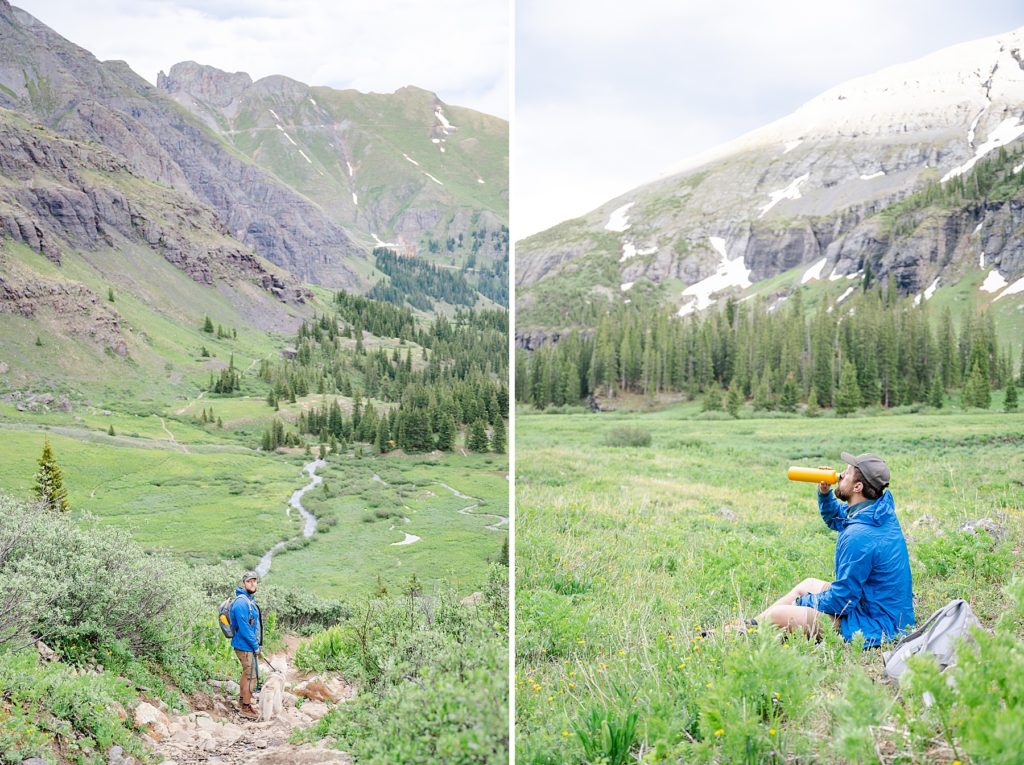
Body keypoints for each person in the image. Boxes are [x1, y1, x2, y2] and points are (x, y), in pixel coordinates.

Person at [750, 452, 915, 647]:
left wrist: (803, 602)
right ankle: (746, 627)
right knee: (808, 584)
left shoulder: (860, 537)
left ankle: (748, 629)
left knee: (777, 615)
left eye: (847, 472)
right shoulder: (876, 511)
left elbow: (842, 600)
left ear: (858, 487)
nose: (840, 475)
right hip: (872, 604)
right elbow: (838, 518)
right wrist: (825, 492)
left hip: (876, 623)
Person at [230, 571, 263, 719]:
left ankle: (242, 701)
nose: (252, 583)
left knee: (246, 673)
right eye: (249, 581)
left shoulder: (248, 600)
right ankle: (245, 708)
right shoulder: (241, 603)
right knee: (252, 676)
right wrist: (255, 645)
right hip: (244, 645)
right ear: (244, 583)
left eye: (254, 581)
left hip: (246, 644)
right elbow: (244, 628)